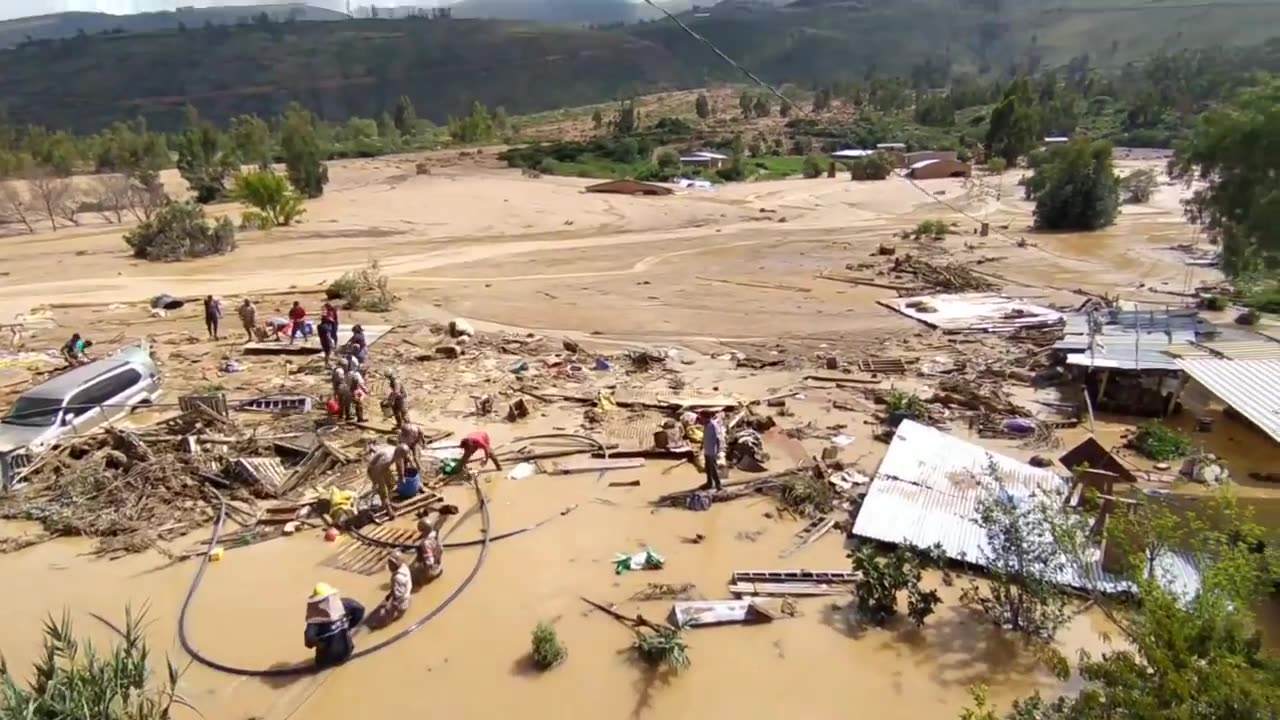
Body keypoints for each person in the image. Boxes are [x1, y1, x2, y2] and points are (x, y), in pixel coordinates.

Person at [303, 582, 365, 668]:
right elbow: (360, 609)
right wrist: (348, 626)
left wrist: (320, 644)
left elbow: (309, 641)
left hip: (326, 660)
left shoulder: (315, 620)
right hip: (346, 653)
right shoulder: (345, 605)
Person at [367, 442, 411, 518]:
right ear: (399, 454)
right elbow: (377, 472)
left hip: (384, 468)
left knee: (391, 484)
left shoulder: (397, 452)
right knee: (383, 490)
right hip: (374, 469)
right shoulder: (387, 458)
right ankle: (389, 510)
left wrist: (401, 476)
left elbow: (400, 463)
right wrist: (376, 483)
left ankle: (388, 503)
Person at [368, 556, 412, 629]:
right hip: (406, 597)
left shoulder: (397, 578)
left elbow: (397, 599)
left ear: (395, 564)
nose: (388, 566)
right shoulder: (404, 568)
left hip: (400, 604)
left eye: (390, 564)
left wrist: (387, 610)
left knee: (378, 622)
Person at [411, 519, 444, 587]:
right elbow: (440, 547)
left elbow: (429, 559)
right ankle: (435, 567)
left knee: (419, 580)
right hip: (437, 554)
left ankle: (431, 575)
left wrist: (428, 565)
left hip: (431, 560)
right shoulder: (435, 533)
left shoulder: (425, 544)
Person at [700, 410, 724, 491]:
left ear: (706, 417)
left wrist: (718, 451)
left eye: (702, 417)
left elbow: (718, 439)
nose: (701, 419)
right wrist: (701, 446)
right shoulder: (706, 425)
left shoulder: (713, 425)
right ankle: (709, 483)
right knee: (708, 468)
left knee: (713, 468)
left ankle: (718, 485)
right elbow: (705, 436)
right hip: (707, 449)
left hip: (712, 451)